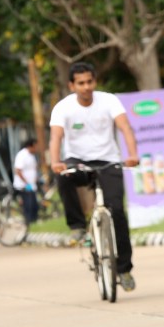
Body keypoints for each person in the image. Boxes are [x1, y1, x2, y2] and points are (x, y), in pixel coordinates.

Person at [49, 62, 140, 292]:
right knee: (64, 177)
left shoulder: (109, 100)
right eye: (80, 83)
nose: (86, 87)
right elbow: (56, 138)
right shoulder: (63, 107)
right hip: (77, 160)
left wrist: (132, 154)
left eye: (89, 82)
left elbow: (125, 128)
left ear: (94, 81)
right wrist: (55, 161)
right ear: (72, 85)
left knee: (117, 211)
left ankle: (124, 269)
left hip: (108, 160)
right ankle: (77, 225)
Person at [13, 138, 41, 225]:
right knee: (28, 204)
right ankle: (28, 222)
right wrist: (27, 183)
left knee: (34, 204)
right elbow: (18, 170)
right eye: (35, 146)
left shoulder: (31, 155)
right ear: (30, 146)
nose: (37, 148)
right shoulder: (21, 155)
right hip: (24, 185)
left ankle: (34, 221)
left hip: (31, 185)